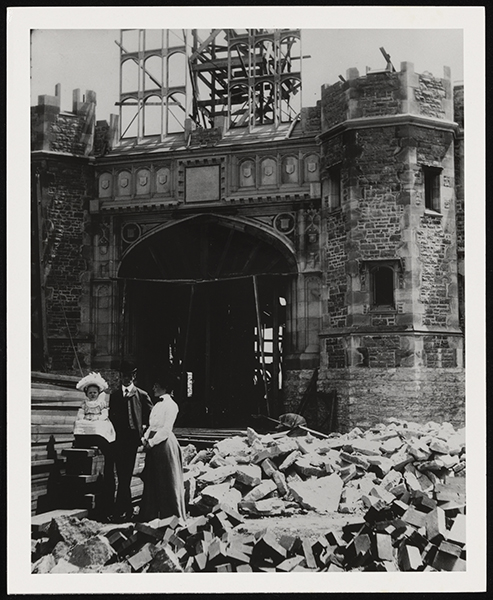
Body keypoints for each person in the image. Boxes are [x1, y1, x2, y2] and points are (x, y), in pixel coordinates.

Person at [108, 361, 153, 522]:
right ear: (120, 376)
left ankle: (120, 511)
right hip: (118, 441)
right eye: (123, 376)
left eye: (129, 376)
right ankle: (125, 510)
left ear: (134, 376)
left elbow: (151, 416)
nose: (126, 379)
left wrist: (144, 432)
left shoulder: (141, 395)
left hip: (132, 442)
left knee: (125, 476)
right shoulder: (114, 395)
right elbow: (110, 418)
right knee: (122, 476)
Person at [138, 372, 186, 523]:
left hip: (164, 445)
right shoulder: (157, 405)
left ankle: (170, 516)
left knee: (167, 480)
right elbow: (152, 426)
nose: (153, 388)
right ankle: (151, 514)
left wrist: (152, 443)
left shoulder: (171, 405)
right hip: (153, 444)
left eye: (156, 386)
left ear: (164, 388)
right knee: (152, 478)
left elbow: (166, 429)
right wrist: (145, 439)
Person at [74, 372, 116, 518]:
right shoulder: (85, 404)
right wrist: (84, 418)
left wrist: (98, 418)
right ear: (87, 393)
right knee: (81, 423)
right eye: (90, 393)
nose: (92, 395)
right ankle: (82, 439)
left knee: (99, 425)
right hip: (87, 421)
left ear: (99, 393)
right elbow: (80, 414)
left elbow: (105, 415)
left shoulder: (101, 403)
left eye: (95, 392)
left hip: (97, 421)